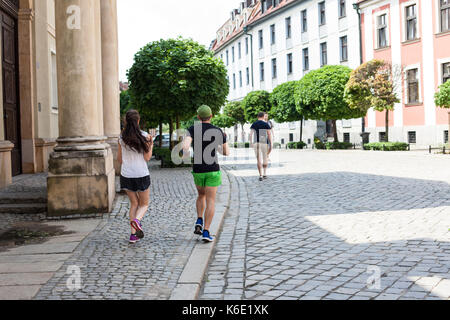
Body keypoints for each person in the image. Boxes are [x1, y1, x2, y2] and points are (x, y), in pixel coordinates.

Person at [183, 105, 230, 243]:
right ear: (212, 116)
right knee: (211, 200)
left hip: (198, 170)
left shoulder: (192, 129)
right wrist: (218, 147)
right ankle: (206, 231)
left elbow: (185, 147)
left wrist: (186, 152)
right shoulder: (218, 131)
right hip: (212, 170)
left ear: (198, 117)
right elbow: (226, 153)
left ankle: (199, 218)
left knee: (201, 195)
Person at [118, 110, 153, 244]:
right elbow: (147, 158)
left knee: (133, 204)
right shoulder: (146, 137)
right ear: (138, 121)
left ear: (125, 121)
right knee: (144, 204)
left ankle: (133, 235)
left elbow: (119, 159)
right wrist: (151, 145)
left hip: (126, 174)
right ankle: (137, 221)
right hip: (141, 174)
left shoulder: (121, 138)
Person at [250, 112, 273, 181]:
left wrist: (251, 142)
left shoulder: (254, 124)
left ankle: (260, 175)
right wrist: (271, 143)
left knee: (258, 159)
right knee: (265, 158)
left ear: (257, 117)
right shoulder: (266, 124)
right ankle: (265, 173)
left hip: (256, 142)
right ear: (263, 117)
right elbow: (269, 134)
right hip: (263, 142)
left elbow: (251, 134)